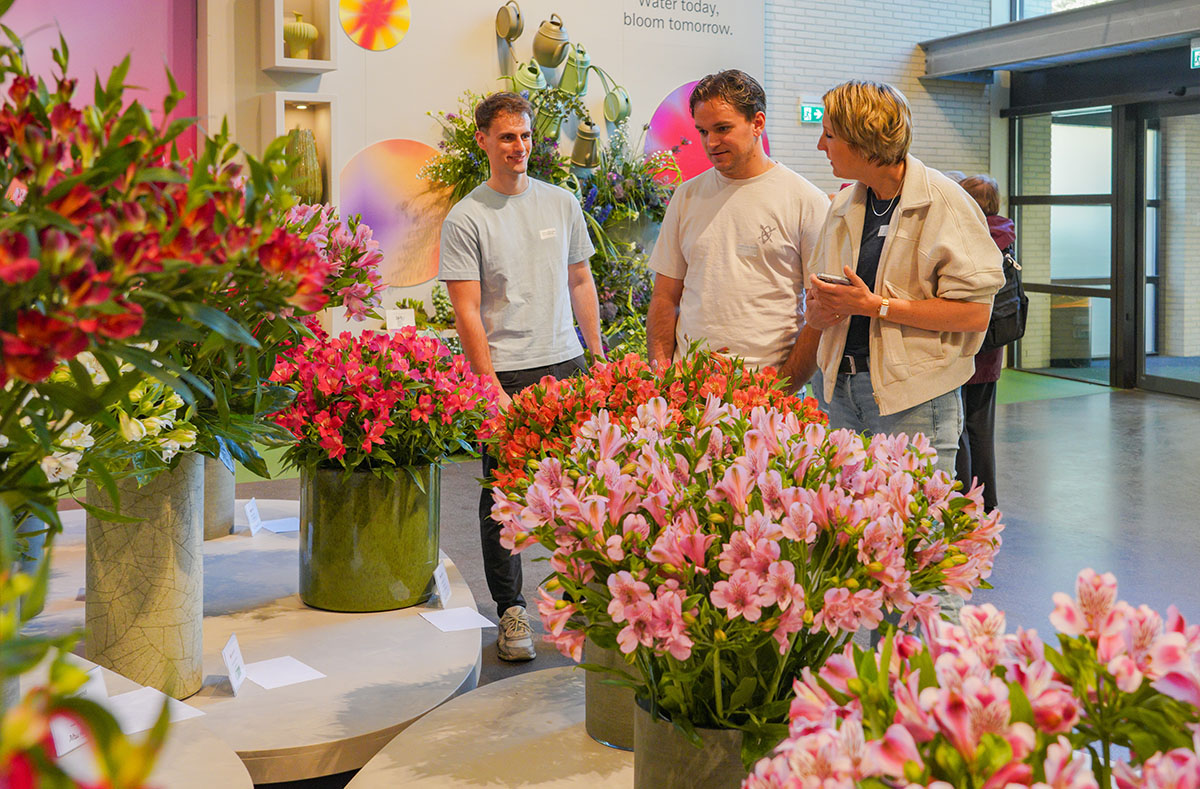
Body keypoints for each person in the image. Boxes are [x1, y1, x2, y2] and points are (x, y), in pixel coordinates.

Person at [438, 92, 604, 661]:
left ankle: (588, 600)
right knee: (503, 499)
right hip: (505, 375)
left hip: (568, 367)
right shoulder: (467, 217)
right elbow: (467, 310)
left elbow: (581, 282)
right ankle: (513, 613)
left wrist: (597, 355)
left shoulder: (561, 203)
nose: (519, 148)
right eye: (507, 137)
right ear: (482, 139)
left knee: (584, 489)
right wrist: (487, 387)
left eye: (526, 137)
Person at [801, 80, 1004, 477]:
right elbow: (826, 292)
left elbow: (974, 314)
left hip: (914, 401)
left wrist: (878, 306)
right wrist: (819, 311)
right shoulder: (843, 204)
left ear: (863, 140)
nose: (821, 147)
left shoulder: (945, 203)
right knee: (849, 530)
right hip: (839, 393)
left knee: (912, 531)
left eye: (829, 135)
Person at [645, 69, 830, 389]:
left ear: (757, 123)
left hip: (769, 387)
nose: (711, 142)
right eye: (702, 131)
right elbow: (664, 296)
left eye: (722, 128)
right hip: (689, 388)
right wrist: (662, 376)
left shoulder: (805, 200)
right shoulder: (687, 196)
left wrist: (782, 389)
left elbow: (823, 313)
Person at [955, 174, 1012, 512]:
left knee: (955, 430)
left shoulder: (967, 235)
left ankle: (962, 504)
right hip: (992, 346)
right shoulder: (1006, 234)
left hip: (961, 344)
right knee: (981, 431)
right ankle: (987, 504)